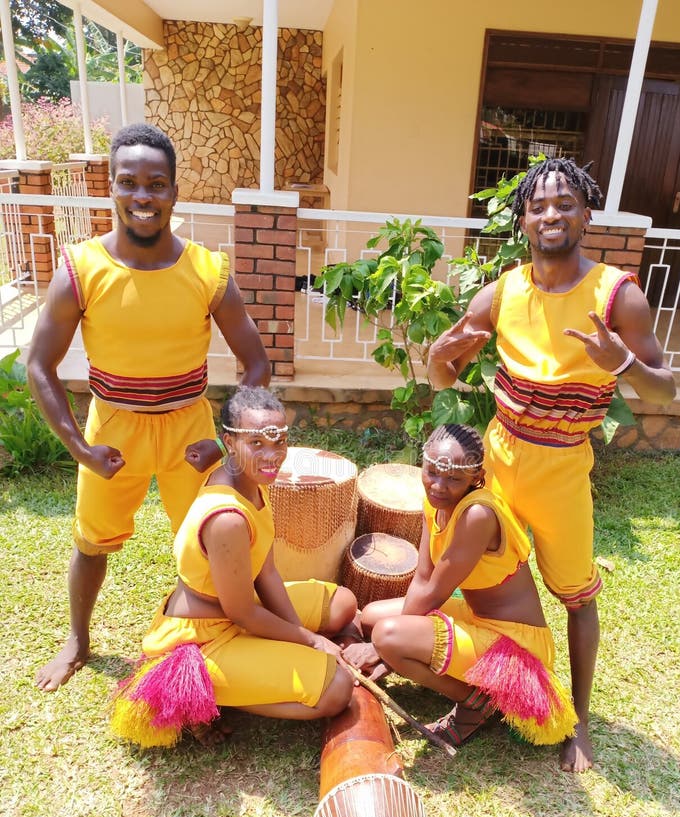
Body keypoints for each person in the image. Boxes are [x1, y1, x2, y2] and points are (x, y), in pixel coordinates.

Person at [426, 157, 676, 771]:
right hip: (500, 460)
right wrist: (440, 355)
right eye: (537, 206)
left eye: (564, 203)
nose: (551, 215)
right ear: (523, 221)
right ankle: (490, 693)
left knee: (574, 595)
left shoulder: (619, 296)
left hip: (563, 469)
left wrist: (621, 362)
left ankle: (580, 721)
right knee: (484, 580)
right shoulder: (505, 291)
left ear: (586, 214)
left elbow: (665, 390)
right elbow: (442, 374)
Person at [27, 123, 271, 693]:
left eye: (156, 184)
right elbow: (40, 365)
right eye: (129, 183)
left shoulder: (209, 272)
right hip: (113, 426)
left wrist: (228, 440)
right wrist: (79, 448)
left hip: (192, 428)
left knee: (218, 541)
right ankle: (79, 642)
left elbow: (256, 365)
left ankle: (206, 644)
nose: (143, 197)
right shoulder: (80, 271)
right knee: (92, 542)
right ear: (111, 188)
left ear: (174, 193)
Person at [110, 386, 356, 747]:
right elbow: (241, 612)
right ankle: (198, 695)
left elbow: (266, 571)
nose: (272, 456)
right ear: (229, 442)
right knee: (337, 689)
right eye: (256, 443)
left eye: (279, 442)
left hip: (240, 613)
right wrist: (312, 640)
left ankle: (250, 670)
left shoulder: (253, 480)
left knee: (342, 603)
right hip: (205, 638)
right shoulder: (227, 518)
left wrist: (301, 638)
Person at [343, 423, 577, 751]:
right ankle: (410, 652)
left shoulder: (477, 515)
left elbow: (436, 591)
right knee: (372, 616)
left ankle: (475, 703)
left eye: (454, 479)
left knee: (386, 635)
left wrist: (382, 650)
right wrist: (390, 652)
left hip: (512, 645)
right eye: (432, 473)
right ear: (422, 465)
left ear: (476, 478)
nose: (439, 486)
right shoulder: (434, 503)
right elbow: (423, 579)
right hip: (475, 617)